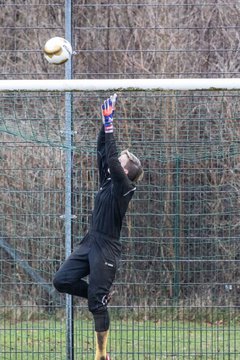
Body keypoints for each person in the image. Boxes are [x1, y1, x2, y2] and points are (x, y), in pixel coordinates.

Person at [53, 94, 144, 360]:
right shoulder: (108, 181)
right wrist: (104, 123)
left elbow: (113, 160)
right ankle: (99, 296)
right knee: (62, 281)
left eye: (121, 161)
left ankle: (101, 354)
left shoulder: (125, 188)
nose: (116, 161)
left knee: (96, 306)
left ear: (125, 171)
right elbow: (103, 151)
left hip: (106, 250)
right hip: (90, 241)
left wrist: (110, 124)